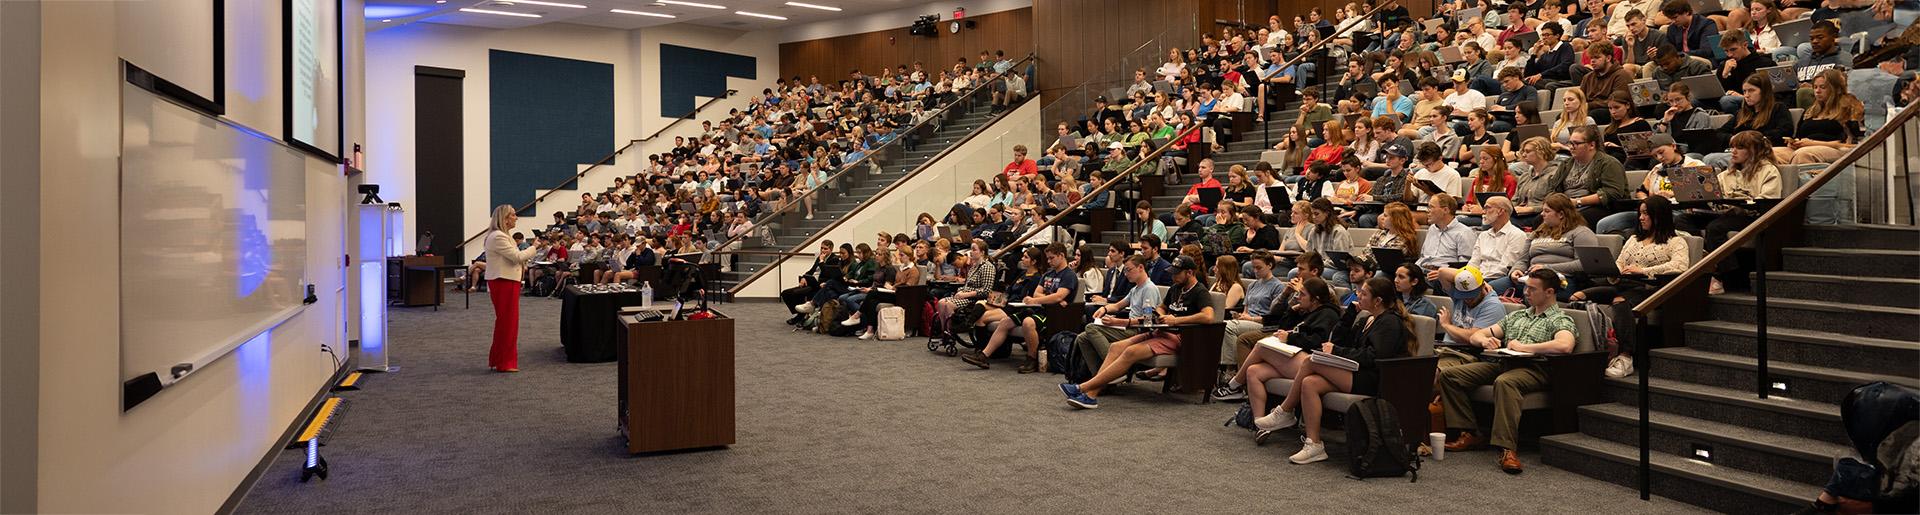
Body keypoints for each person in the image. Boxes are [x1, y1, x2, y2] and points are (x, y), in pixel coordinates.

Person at [1254, 276, 1417, 463]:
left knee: (1310, 361)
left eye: (1364, 294)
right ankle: (1313, 444)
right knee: (1310, 383)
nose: (1358, 296)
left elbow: (1374, 356)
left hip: (1375, 379)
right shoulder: (1367, 319)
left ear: (1378, 301)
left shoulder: (1389, 322)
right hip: (1358, 372)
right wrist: (1349, 316)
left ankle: (1285, 411)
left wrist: (1337, 352)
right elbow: (1338, 340)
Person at [1440, 268, 1578, 474]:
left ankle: (1507, 449)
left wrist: (1525, 348)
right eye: (1526, 288)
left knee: (1506, 381)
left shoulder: (1559, 319)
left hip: (1534, 368)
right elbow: (1477, 336)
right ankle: (1469, 432)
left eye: (1532, 289)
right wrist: (1485, 340)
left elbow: (1565, 345)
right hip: (1502, 362)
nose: (1526, 292)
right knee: (1450, 375)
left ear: (1549, 292)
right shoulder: (1518, 316)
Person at [1060, 256, 1213, 409]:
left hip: (1181, 336)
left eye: (1177, 274)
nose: (1173, 277)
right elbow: (1161, 307)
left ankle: (1085, 389)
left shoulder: (1200, 291)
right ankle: (1092, 393)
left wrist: (1176, 320)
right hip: (1160, 331)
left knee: (1130, 352)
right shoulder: (1175, 288)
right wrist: (1160, 314)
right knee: (1115, 347)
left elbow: (1208, 316)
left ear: (1190, 272)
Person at [1571, 196, 1691, 377]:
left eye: (1645, 214)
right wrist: (1614, 271)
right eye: (1640, 213)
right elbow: (1620, 262)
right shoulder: (1634, 239)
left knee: (1620, 301)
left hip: (1650, 289)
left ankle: (1626, 357)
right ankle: (1593, 352)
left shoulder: (1676, 242)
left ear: (1659, 216)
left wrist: (1643, 270)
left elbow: (1680, 267)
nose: (1641, 218)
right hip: (1622, 284)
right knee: (1577, 296)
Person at [1680, 130, 1782, 294]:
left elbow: (1767, 200)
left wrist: (1737, 202)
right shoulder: (1727, 173)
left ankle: (1724, 275)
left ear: (1754, 150)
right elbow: (1716, 197)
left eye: (1739, 147)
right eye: (1732, 147)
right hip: (1724, 213)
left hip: (1751, 216)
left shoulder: (1768, 171)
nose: (1732, 151)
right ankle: (1706, 257)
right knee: (1682, 220)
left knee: (1716, 227)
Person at [965, 244, 1077, 373]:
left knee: (1028, 322)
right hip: (1037, 309)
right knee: (1005, 322)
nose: (1048, 261)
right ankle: (983, 355)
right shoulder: (1048, 274)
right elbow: (1037, 293)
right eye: (1047, 258)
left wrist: (1042, 298)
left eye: (1051, 258)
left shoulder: (1068, 275)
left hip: (1054, 314)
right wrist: (1049, 297)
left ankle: (1032, 359)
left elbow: (1058, 297)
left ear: (1061, 256)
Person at [1489, 193, 1598, 299]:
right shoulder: (1537, 233)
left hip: (1560, 280)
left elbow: (1585, 263)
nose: (1542, 214)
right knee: (1487, 290)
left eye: (1547, 211)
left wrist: (1546, 268)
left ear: (1561, 214)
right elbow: (1522, 260)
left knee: (1533, 292)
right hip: (1530, 278)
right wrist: (1516, 270)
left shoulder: (1580, 232)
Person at [483, 205, 548, 373]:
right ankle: (505, 363)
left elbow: (513, 259)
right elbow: (517, 257)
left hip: (506, 281)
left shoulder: (503, 236)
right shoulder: (498, 236)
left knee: (506, 322)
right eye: (513, 215)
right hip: (503, 282)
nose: (516, 218)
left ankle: (499, 359)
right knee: (508, 323)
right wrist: (535, 246)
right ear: (504, 218)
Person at [1075, 255, 1165, 373]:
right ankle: (1099, 376)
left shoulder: (1149, 288)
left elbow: (1148, 319)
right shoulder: (1135, 289)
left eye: (1128, 270)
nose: (1126, 274)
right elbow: (1117, 305)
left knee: (1091, 328)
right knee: (1083, 337)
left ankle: (1115, 370)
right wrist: (1105, 309)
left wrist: (1117, 322)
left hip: (1139, 330)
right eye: (1125, 270)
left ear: (1141, 267)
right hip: (1129, 327)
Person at [1555, 125, 1631, 225]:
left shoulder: (1609, 163)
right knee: (1540, 219)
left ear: (1591, 145)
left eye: (1576, 143)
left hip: (1599, 207)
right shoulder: (1566, 164)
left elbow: (1613, 193)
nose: (1571, 147)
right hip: (1568, 206)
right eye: (1570, 143)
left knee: (1573, 220)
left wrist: (1578, 201)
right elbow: (1553, 188)